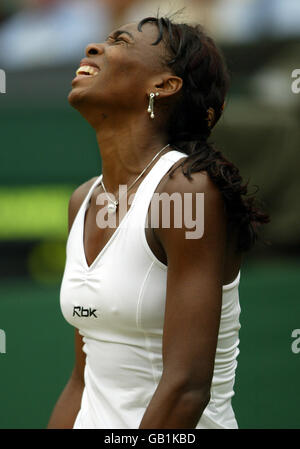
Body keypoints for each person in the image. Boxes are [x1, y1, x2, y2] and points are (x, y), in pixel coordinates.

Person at [47, 15, 268, 429]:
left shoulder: (186, 192)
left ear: (163, 85)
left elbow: (186, 386)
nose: (95, 47)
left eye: (120, 42)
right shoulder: (83, 200)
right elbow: (81, 382)